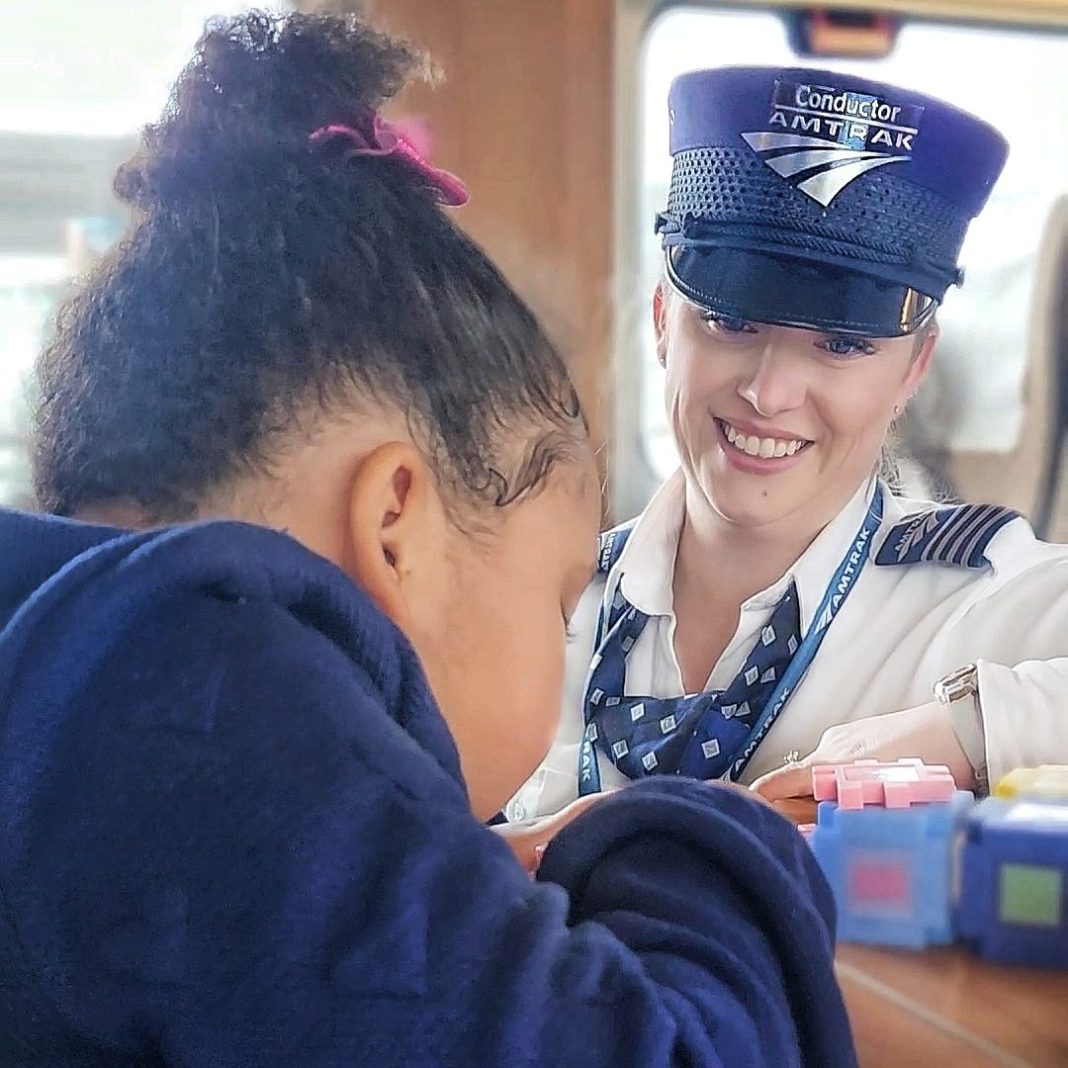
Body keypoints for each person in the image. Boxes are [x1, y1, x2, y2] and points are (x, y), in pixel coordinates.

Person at [0, 15, 855, 1067]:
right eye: (556, 602)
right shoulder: (215, 704)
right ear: (395, 527)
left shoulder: (79, 679)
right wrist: (691, 845)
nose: (566, 643)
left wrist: (457, 876)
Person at [509, 65, 1068, 824]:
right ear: (662, 320)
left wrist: (970, 730)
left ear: (914, 368)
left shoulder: (974, 603)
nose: (769, 394)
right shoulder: (542, 602)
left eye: (840, 344)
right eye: (731, 323)